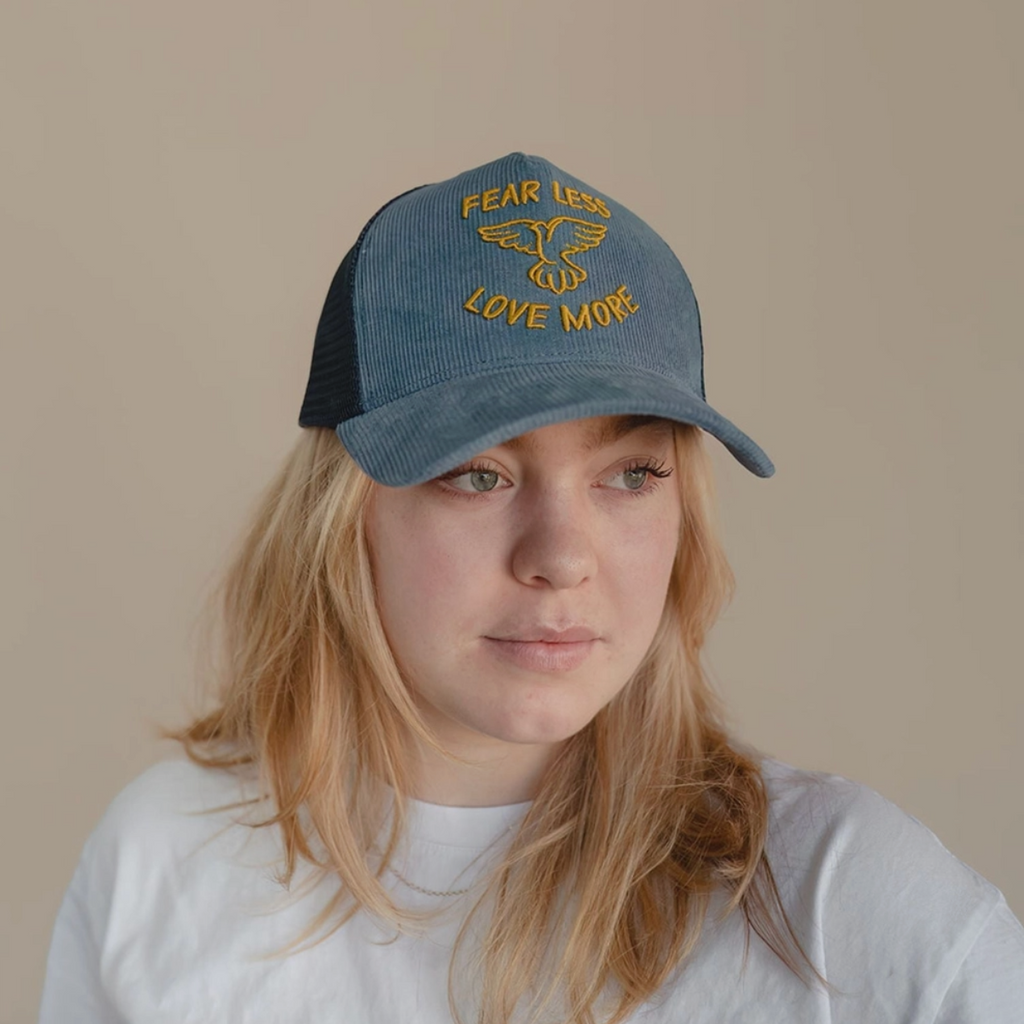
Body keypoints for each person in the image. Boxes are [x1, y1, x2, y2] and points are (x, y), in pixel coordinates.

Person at [39, 153, 1024, 1023]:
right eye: (479, 474)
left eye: (630, 474)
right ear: (343, 519)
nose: (561, 556)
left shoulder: (844, 903)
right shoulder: (163, 862)